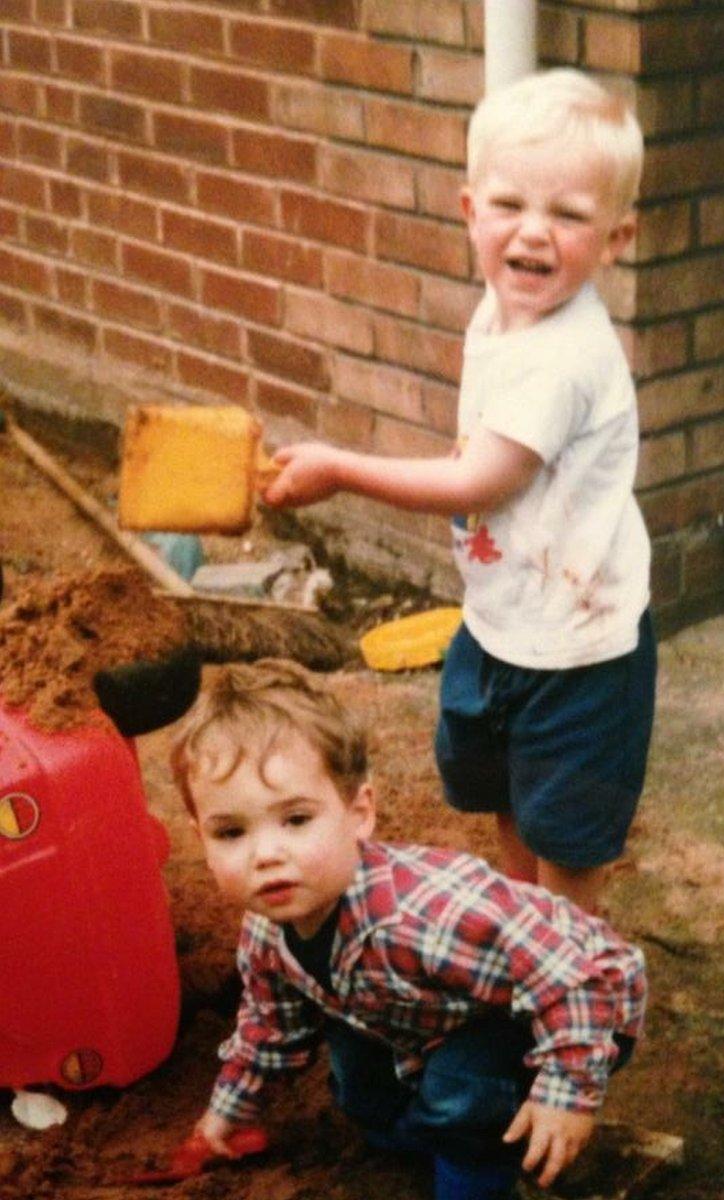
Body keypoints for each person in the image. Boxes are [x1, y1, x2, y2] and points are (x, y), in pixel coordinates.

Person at [261, 69, 656, 914]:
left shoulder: (564, 359)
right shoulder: (506, 306)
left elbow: (478, 480)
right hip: (507, 613)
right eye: (511, 206)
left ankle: (565, 972)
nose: (535, 236)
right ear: (470, 211)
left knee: (567, 834)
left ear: (617, 238)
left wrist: (337, 468)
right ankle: (524, 928)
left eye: (571, 216)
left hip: (579, 651)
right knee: (511, 795)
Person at [171, 659, 647, 1200]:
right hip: (434, 1009)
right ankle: (434, 1136)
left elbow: (577, 978)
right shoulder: (266, 932)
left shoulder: (427, 917)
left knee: (463, 1092)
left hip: (578, 1002)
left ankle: (477, 1168)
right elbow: (269, 1029)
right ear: (201, 838)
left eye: (297, 820)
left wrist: (568, 1093)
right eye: (231, 832)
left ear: (360, 813)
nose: (266, 855)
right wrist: (225, 1116)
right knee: (358, 1087)